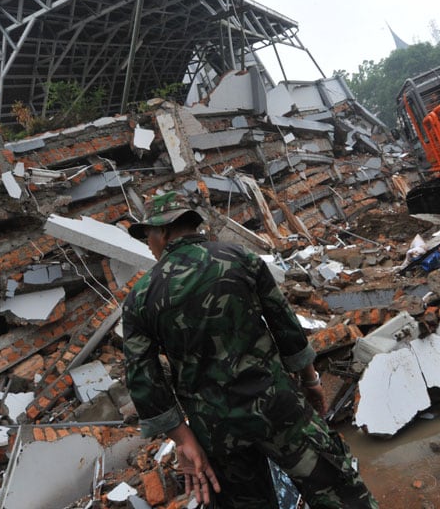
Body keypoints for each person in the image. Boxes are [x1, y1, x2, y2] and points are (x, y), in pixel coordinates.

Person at [123, 191, 378, 509]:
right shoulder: (241, 258)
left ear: (162, 231)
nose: (149, 245)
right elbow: (285, 326)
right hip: (277, 408)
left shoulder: (141, 297)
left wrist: (183, 440)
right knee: (339, 490)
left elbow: (142, 378)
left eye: (147, 237)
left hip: (217, 430)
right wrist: (311, 381)